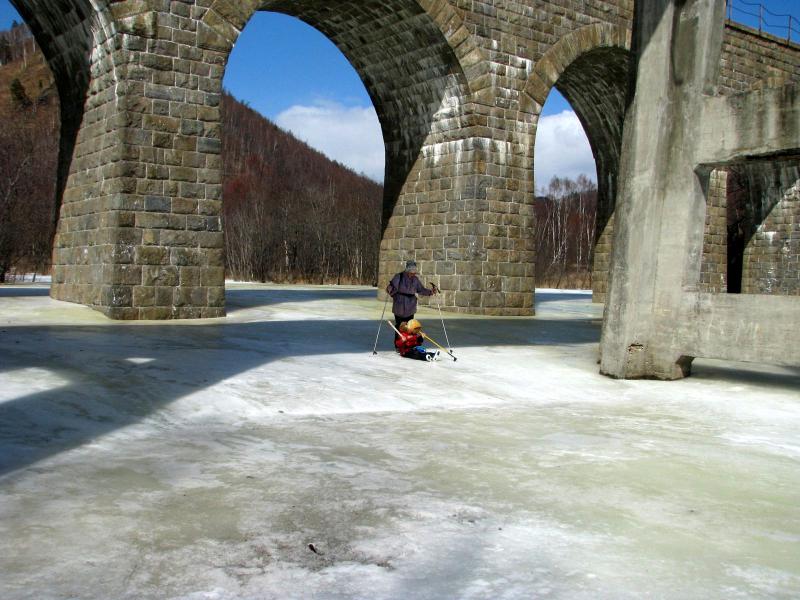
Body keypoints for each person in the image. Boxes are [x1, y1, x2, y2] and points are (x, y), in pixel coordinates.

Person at [386, 260, 438, 337]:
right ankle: (399, 345)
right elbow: (391, 288)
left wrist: (431, 292)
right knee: (400, 327)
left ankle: (409, 345)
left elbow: (421, 290)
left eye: (414, 272)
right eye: (411, 272)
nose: (413, 274)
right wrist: (390, 289)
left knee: (411, 327)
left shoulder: (415, 279)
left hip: (411, 306)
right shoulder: (399, 277)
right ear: (407, 270)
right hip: (399, 305)